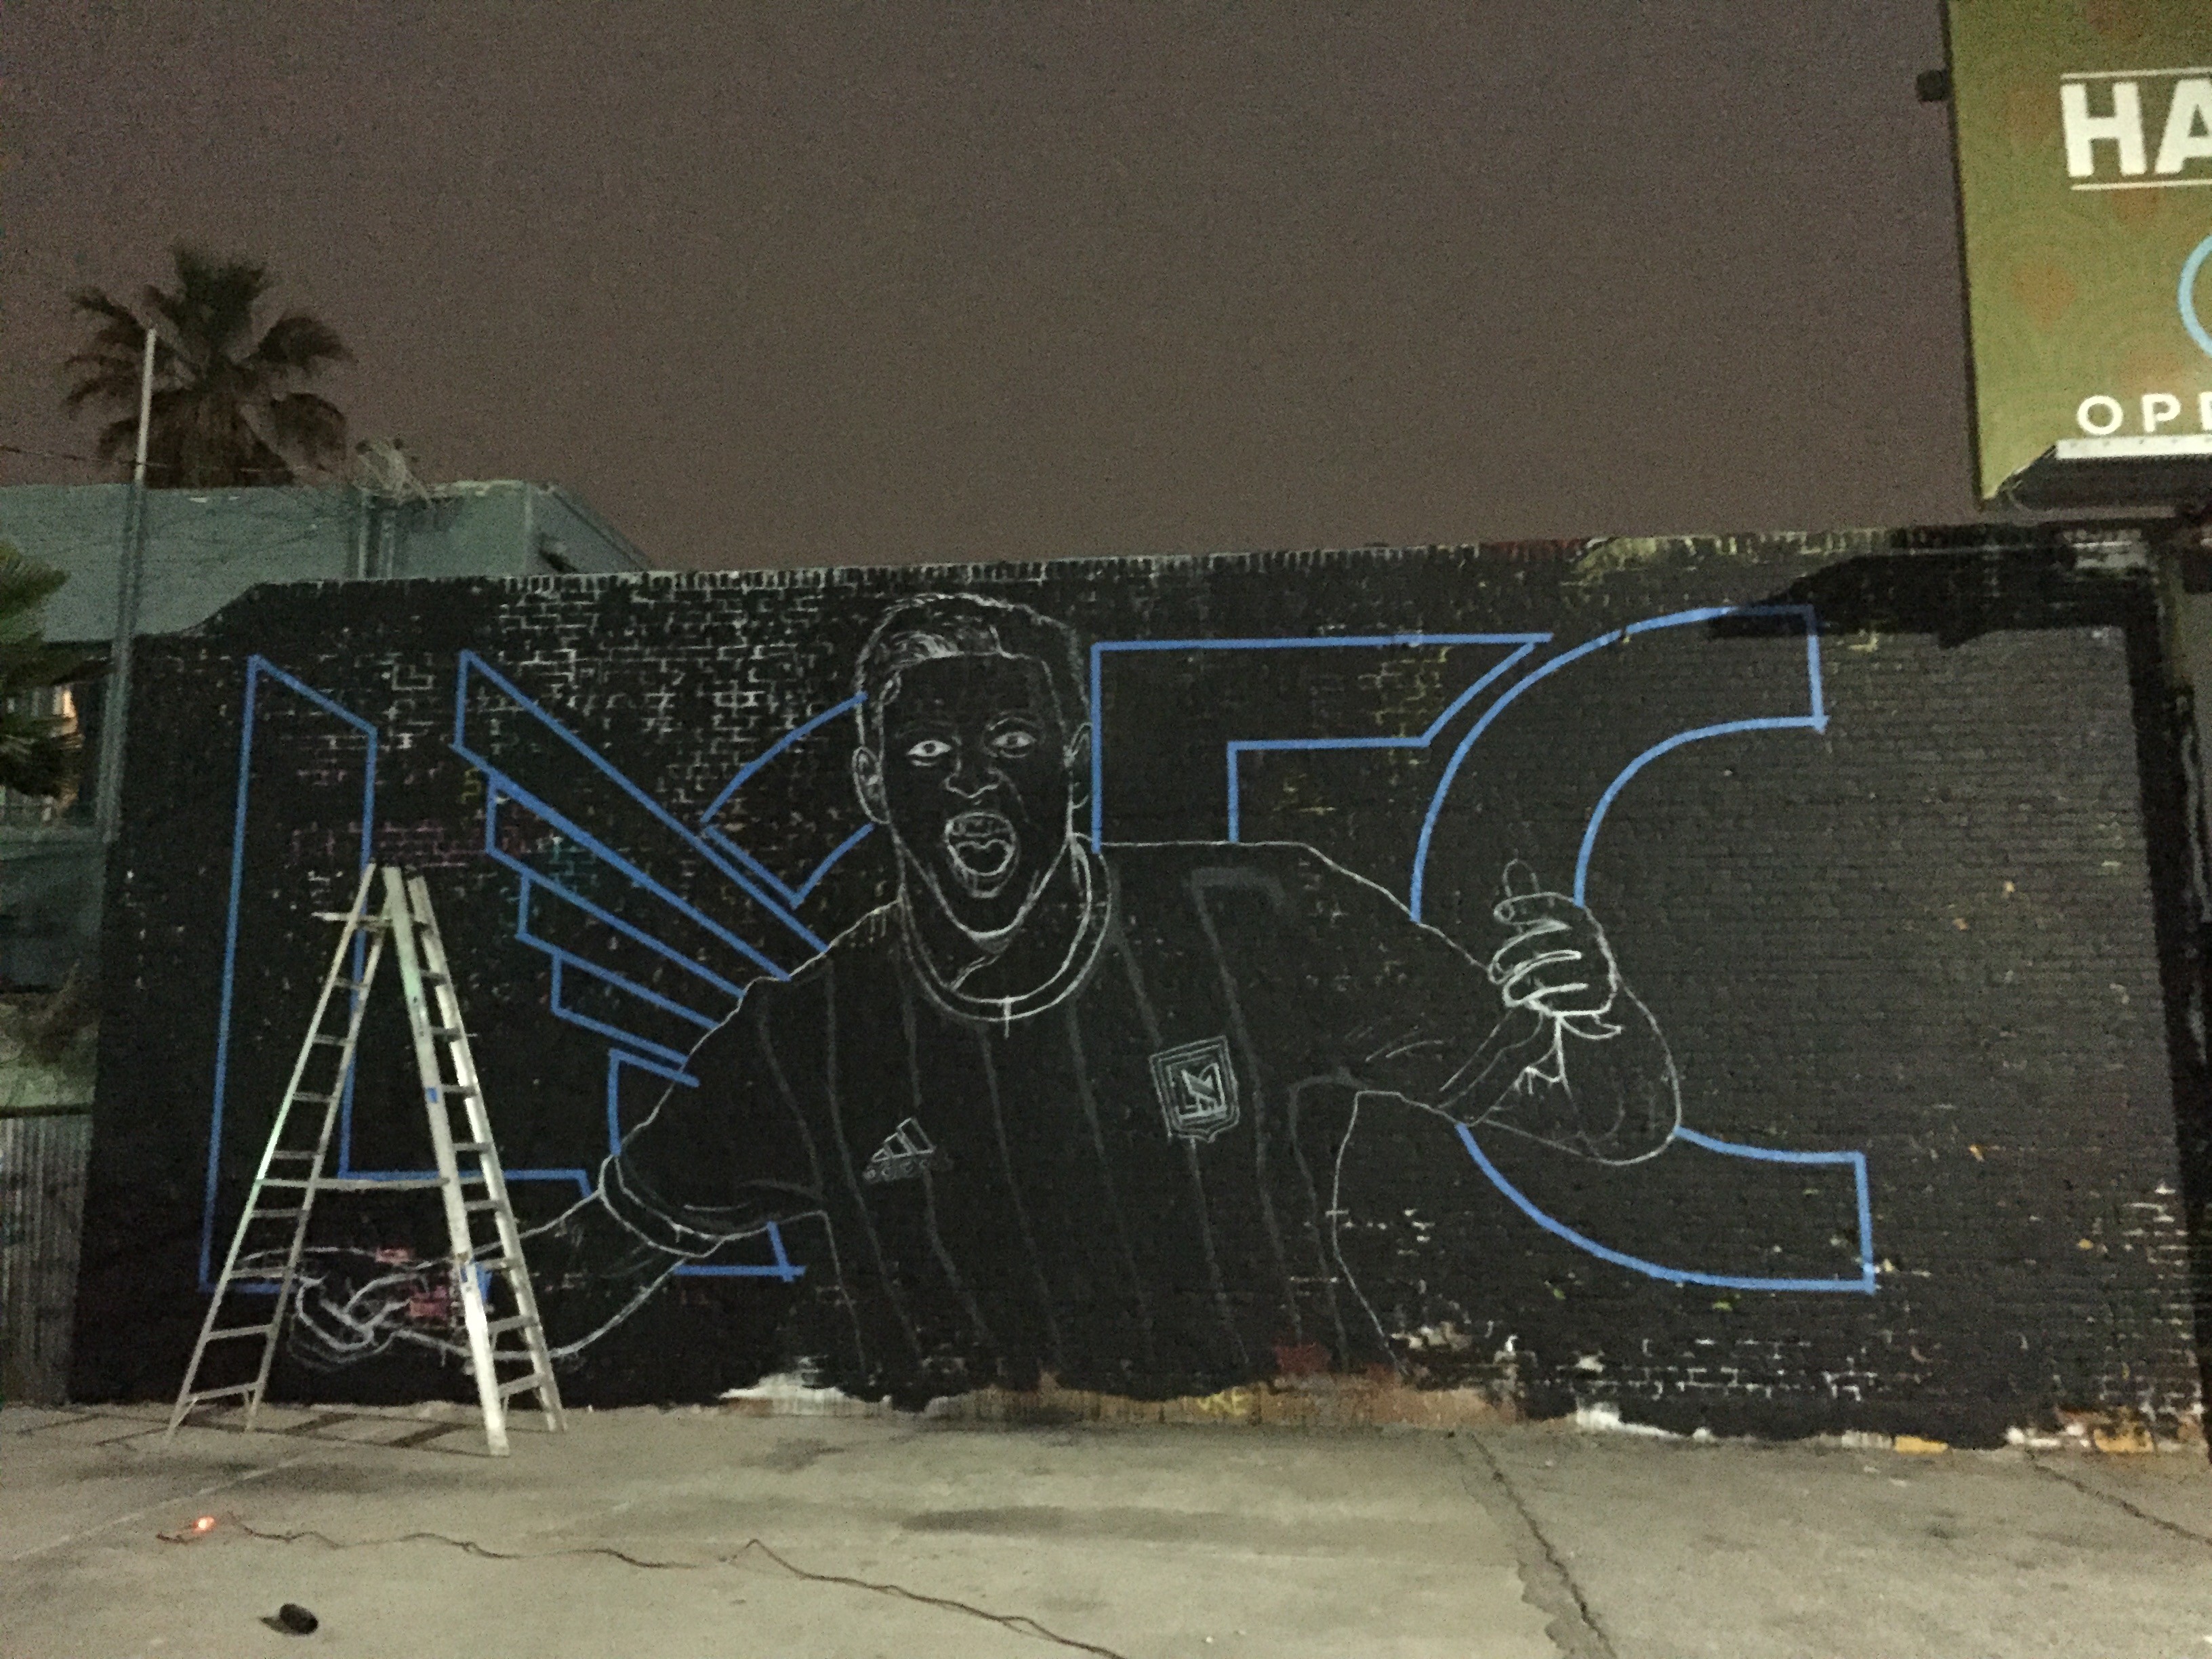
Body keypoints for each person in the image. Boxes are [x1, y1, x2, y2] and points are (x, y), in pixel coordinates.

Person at [532, 592, 1681, 1404]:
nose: (974, 779)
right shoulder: (805, 1038)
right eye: (927, 754)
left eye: (1011, 740)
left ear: (1069, 760)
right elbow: (586, 1263)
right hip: (950, 1522)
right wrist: (451, 1295)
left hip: (1290, 1477)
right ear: (875, 784)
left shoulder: (1264, 917)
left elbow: (1606, 1120)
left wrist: (1600, 1018)